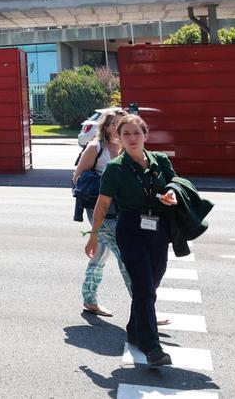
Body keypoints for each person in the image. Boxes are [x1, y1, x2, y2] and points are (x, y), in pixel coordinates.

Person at [84, 114, 180, 366]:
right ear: (119, 137)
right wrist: (93, 235)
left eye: (136, 133)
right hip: (130, 230)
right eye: (126, 134)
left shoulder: (159, 160)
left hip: (158, 229)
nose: (132, 138)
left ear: (145, 135)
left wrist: (170, 193)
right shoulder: (115, 168)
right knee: (143, 286)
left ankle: (135, 329)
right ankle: (152, 347)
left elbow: (175, 183)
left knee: (151, 285)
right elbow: (103, 203)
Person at [73, 110, 131, 317]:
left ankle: (89, 300)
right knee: (127, 256)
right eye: (113, 124)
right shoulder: (95, 147)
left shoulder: (127, 148)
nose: (116, 128)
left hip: (122, 209)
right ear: (105, 127)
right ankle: (145, 308)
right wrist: (104, 186)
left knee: (99, 256)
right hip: (100, 210)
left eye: (120, 124)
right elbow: (77, 178)